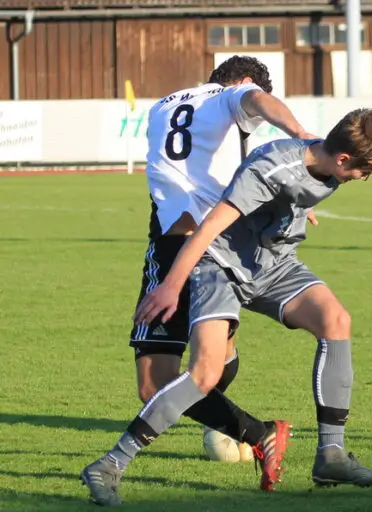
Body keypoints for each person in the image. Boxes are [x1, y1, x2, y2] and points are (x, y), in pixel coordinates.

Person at [82, 108, 372, 506]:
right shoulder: (271, 167)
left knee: (336, 320)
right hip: (221, 266)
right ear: (343, 159)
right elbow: (209, 227)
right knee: (204, 374)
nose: (365, 178)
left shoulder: (325, 165)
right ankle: (111, 464)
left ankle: (331, 455)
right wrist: (170, 286)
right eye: (365, 171)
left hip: (273, 265)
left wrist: (298, 209)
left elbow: (297, 190)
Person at [129, 55, 319, 465]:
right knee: (188, 370)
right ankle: (253, 429)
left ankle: (251, 429)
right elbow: (257, 101)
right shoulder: (233, 96)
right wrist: (302, 136)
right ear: (247, 82)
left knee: (155, 383)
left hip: (176, 243)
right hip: (217, 246)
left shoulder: (164, 104)